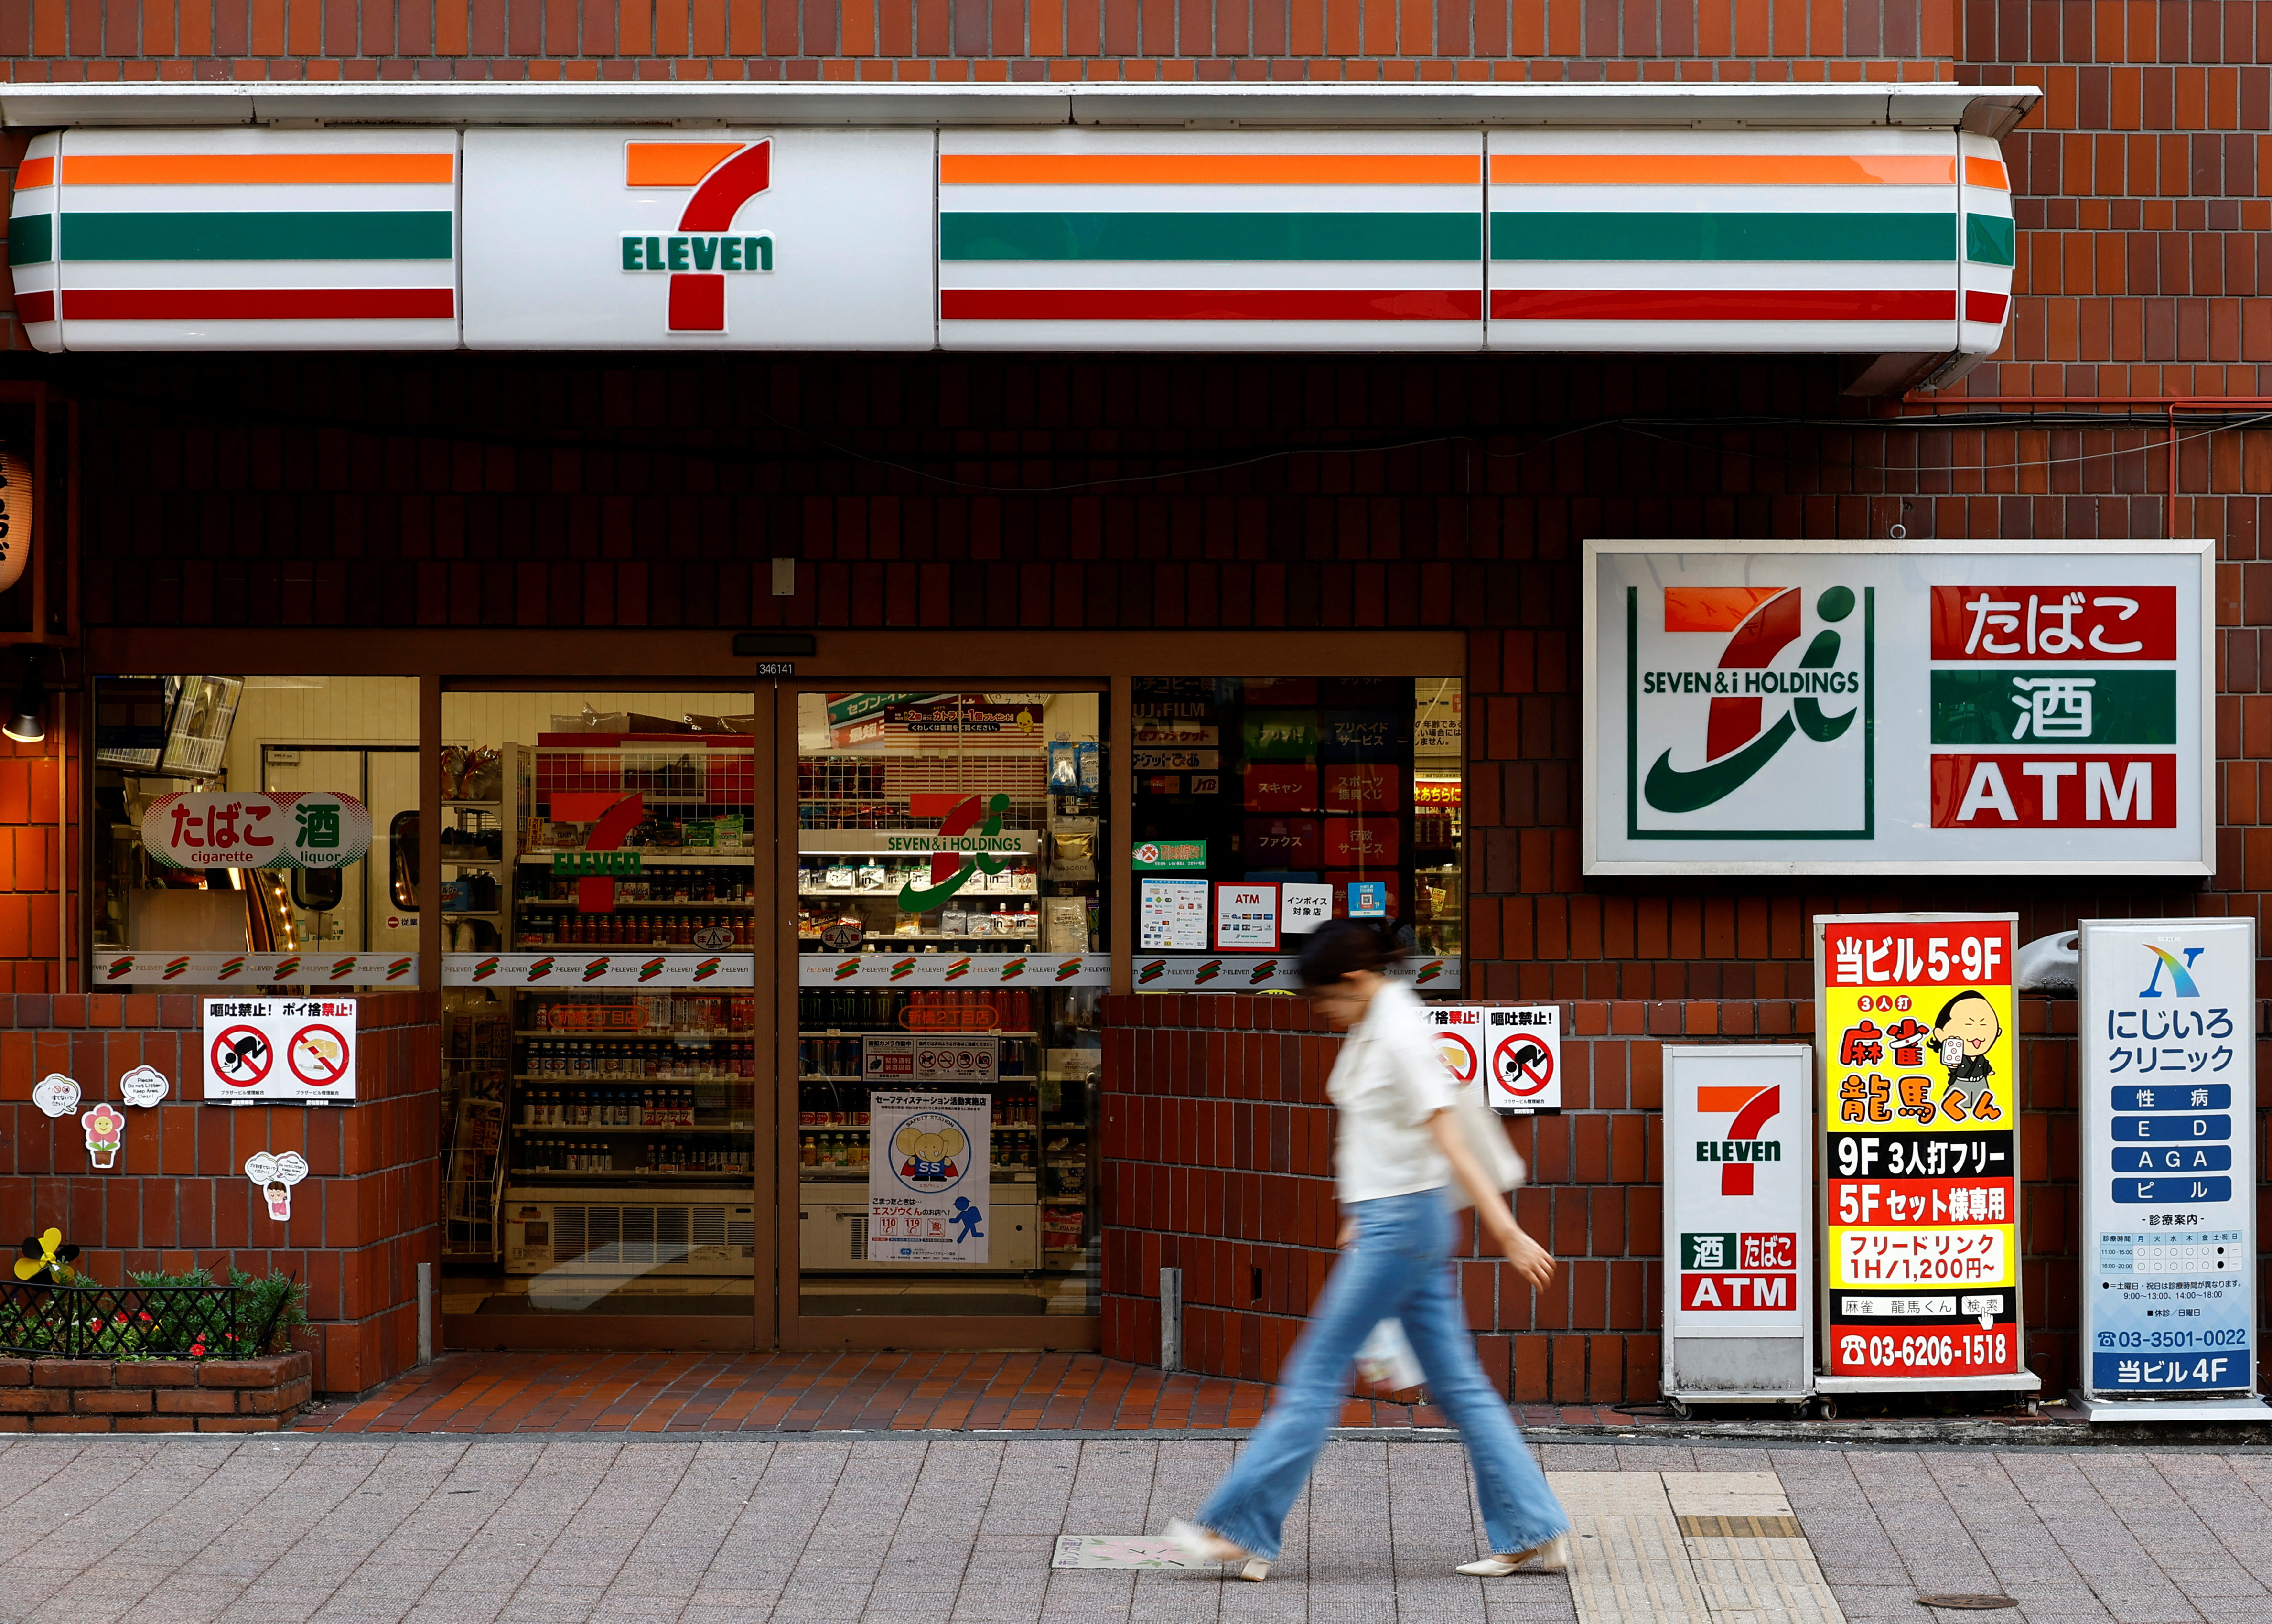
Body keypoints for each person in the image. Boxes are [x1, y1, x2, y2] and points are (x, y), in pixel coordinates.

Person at [1165, 918, 1571, 1581]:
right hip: (1397, 1222)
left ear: (1356, 979)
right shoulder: (1379, 1021)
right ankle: (1533, 1530)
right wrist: (1362, 1209)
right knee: (1460, 1387)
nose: (1322, 1011)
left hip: (1402, 1229)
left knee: (1315, 1375)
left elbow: (1451, 1138)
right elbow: (1391, 1135)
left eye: (1326, 997)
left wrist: (1507, 1231)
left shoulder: (1401, 1034)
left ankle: (1242, 1530)